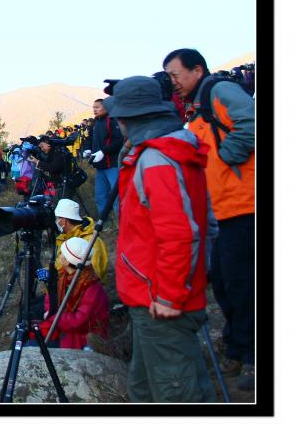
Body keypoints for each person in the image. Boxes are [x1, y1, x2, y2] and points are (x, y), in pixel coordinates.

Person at [106, 76, 215, 402]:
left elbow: (180, 233)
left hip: (160, 299)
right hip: (152, 295)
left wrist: (168, 295)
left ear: (129, 118)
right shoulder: (165, 152)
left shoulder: (157, 160)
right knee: (144, 388)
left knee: (176, 394)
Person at [163, 48, 255, 389]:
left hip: (246, 207)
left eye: (176, 75)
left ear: (197, 69)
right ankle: (239, 346)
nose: (173, 83)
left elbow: (252, 120)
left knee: (243, 285)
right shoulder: (198, 110)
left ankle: (252, 357)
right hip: (223, 212)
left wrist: (230, 155)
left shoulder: (219, 90)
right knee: (227, 283)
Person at [38, 237, 110, 350]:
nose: (59, 255)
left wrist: (51, 315)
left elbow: (78, 321)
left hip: (81, 340)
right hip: (62, 330)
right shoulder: (63, 276)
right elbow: (50, 300)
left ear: (67, 261)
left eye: (62, 253)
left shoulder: (91, 288)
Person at [53, 199, 109, 281]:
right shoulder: (64, 238)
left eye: (57, 218)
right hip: (69, 287)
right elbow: (60, 265)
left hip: (87, 291)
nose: (56, 222)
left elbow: (93, 276)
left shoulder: (92, 242)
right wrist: (51, 274)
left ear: (64, 221)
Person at [86, 98, 124, 216]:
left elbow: (118, 140)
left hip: (112, 164)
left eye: (97, 107)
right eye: (93, 107)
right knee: (100, 196)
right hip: (100, 167)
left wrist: (103, 151)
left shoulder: (112, 121)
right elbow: (90, 139)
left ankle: (121, 221)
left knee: (117, 195)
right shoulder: (95, 123)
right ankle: (104, 221)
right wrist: (88, 149)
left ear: (105, 107)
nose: (95, 110)